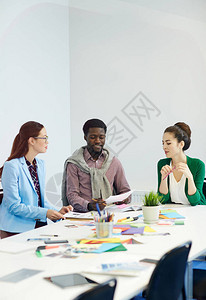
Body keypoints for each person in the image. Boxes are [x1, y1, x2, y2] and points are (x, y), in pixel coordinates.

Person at [0, 121, 73, 239]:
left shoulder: (40, 164)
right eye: (44, 138)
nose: (47, 142)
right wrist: (46, 213)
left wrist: (57, 211)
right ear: (32, 140)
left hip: (38, 225)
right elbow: (14, 206)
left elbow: (39, 201)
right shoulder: (12, 166)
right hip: (15, 230)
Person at [61, 118, 131, 212]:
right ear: (85, 137)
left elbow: (125, 191)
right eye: (93, 137)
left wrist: (124, 199)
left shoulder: (113, 161)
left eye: (101, 137)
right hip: (82, 215)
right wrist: (89, 205)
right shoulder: (74, 163)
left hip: (109, 214)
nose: (98, 141)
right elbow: (72, 195)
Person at [157, 122, 206, 205]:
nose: (164, 147)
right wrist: (163, 178)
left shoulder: (198, 165)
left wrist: (190, 178)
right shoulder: (162, 164)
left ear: (181, 144)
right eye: (163, 143)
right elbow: (162, 200)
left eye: (168, 143)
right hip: (173, 213)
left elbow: (195, 201)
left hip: (197, 212)